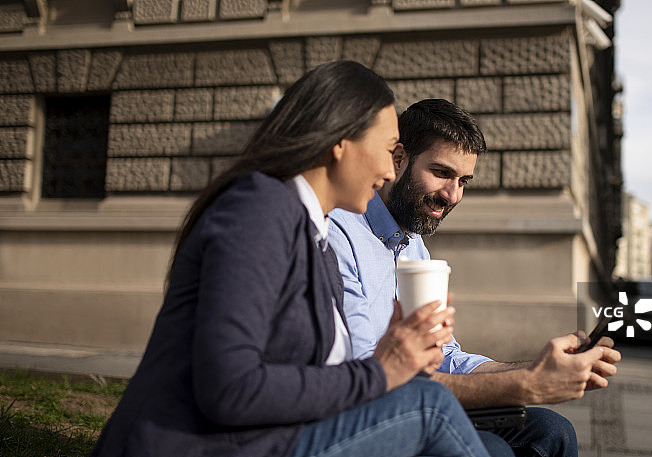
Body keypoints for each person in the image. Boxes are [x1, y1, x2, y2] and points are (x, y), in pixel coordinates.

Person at [92, 63, 491, 457]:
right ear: (341, 142)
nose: (391, 170)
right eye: (389, 151)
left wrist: (391, 350)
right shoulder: (259, 210)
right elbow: (230, 388)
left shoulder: (310, 228)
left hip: (273, 437)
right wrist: (381, 371)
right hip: (210, 445)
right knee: (429, 407)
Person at [328, 98, 622, 457]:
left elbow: (447, 357)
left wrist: (541, 366)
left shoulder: (413, 245)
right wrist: (526, 384)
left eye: (463, 181)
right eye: (441, 173)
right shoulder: (341, 232)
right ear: (398, 159)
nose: (452, 195)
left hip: (420, 396)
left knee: (552, 431)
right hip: (370, 412)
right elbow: (367, 374)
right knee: (494, 449)